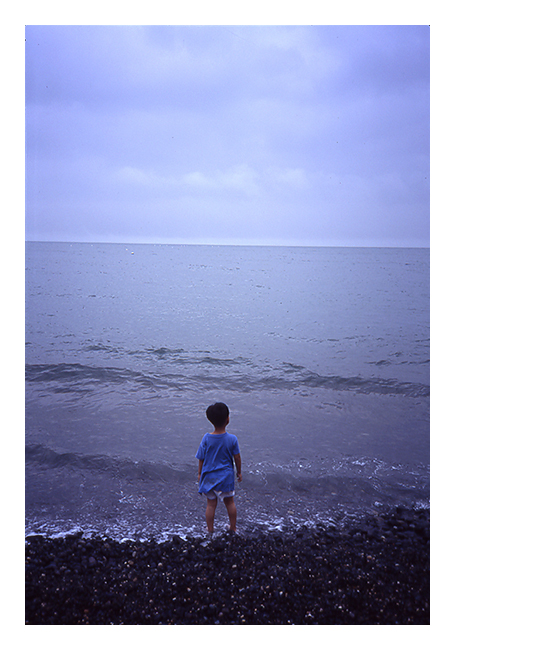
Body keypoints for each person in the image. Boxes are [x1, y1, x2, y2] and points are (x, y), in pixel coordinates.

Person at [196, 402, 242, 534]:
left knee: (211, 504)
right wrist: (239, 472)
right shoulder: (232, 439)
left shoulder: (206, 438)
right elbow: (237, 458)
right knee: (230, 503)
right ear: (227, 419)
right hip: (225, 477)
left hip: (209, 476)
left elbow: (201, 457)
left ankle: (210, 529)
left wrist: (199, 473)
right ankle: (233, 527)